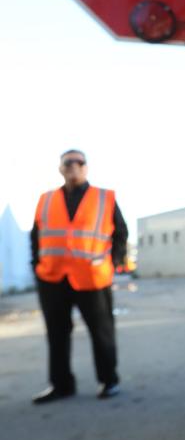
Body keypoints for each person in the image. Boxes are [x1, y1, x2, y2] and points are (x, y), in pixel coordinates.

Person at [30, 150, 127, 403]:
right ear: (60, 169)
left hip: (92, 278)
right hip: (53, 278)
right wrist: (37, 267)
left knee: (102, 332)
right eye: (67, 163)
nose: (73, 166)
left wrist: (113, 263)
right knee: (56, 334)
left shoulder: (104, 198)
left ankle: (109, 381)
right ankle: (61, 385)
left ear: (86, 167)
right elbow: (36, 236)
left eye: (79, 162)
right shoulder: (46, 199)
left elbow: (121, 233)